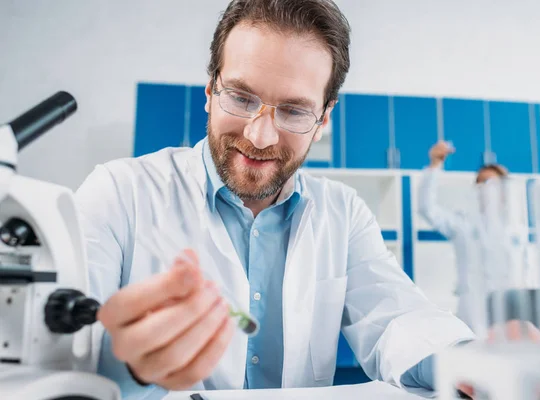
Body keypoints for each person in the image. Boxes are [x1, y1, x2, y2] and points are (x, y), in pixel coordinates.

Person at [75, 1, 475, 398]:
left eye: (295, 112)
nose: (259, 137)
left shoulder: (343, 212)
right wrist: (131, 369)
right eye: (241, 97)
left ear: (323, 119)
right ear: (211, 91)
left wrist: (468, 363)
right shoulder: (118, 193)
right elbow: (64, 354)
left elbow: (393, 318)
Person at [418, 140, 514, 329]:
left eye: (488, 182)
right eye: (478, 182)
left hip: (508, 309)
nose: (482, 187)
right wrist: (435, 165)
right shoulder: (464, 225)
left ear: (503, 190)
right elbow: (427, 208)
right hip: (472, 311)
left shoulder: (515, 228)